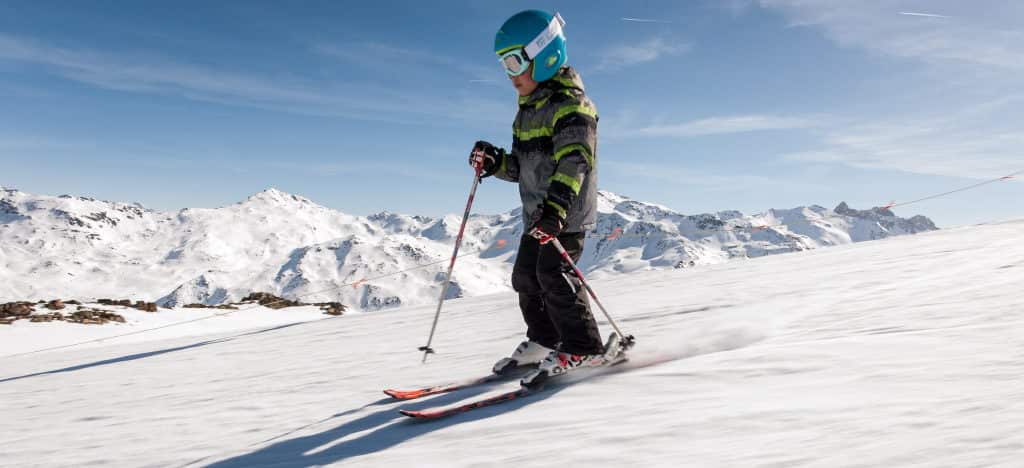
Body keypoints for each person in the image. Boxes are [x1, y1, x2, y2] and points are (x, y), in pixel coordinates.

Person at [469, 10, 615, 384]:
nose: (510, 74)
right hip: (538, 215)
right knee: (525, 278)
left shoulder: (572, 106)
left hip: (563, 214)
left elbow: (575, 162)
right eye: (504, 65)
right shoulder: (526, 113)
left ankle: (585, 347)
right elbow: (520, 167)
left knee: (553, 275)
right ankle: (544, 339)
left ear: (545, 54)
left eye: (515, 61)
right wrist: (495, 161)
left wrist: (556, 211)